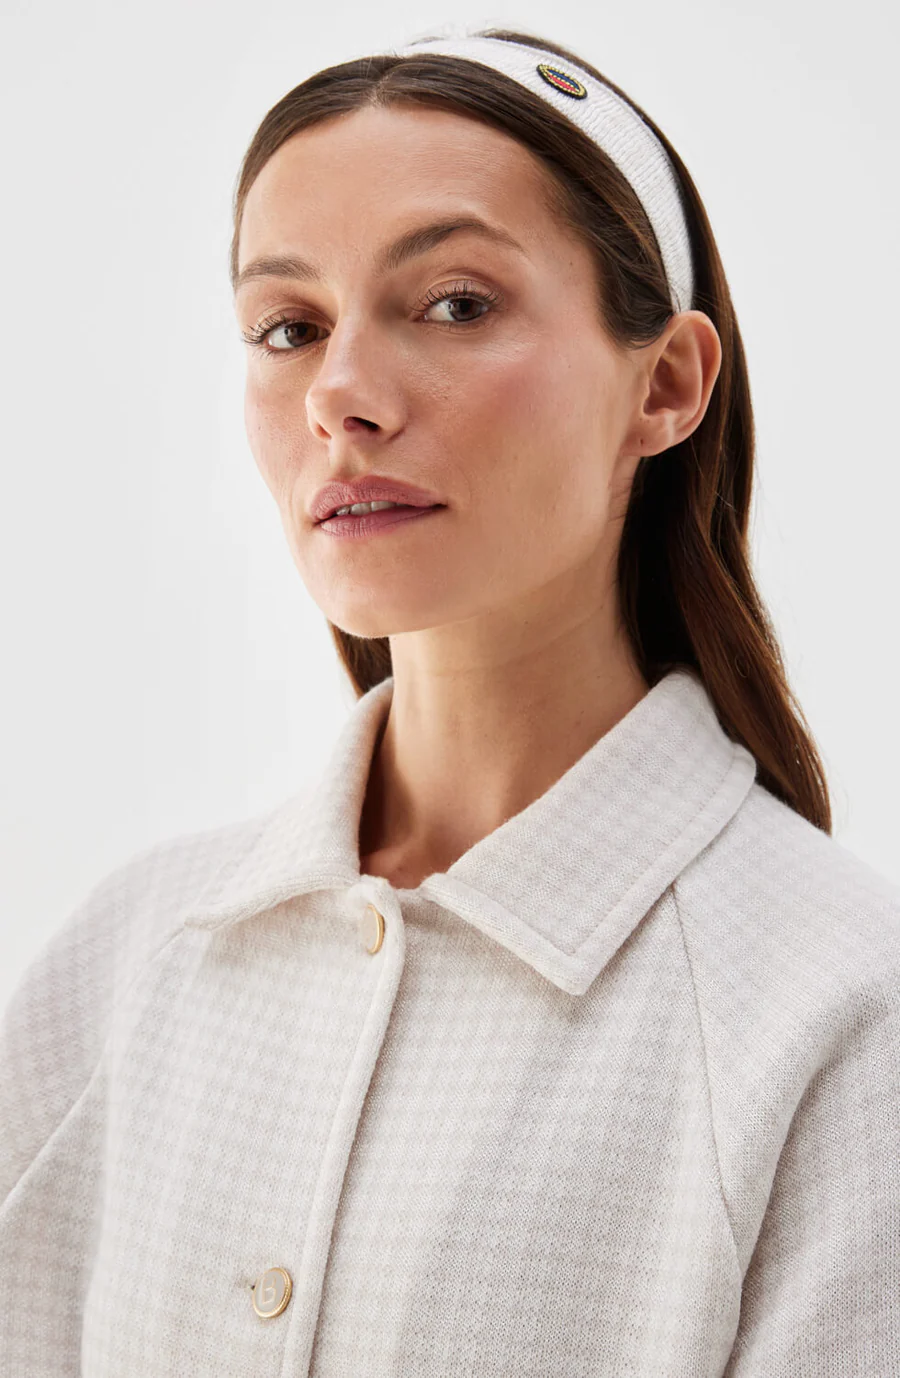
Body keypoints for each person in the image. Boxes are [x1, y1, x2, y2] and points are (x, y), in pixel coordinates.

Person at [1, 25, 898, 1377]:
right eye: (289, 328)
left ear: (667, 384)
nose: (341, 397)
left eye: (455, 305)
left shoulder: (838, 1015)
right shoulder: (129, 959)